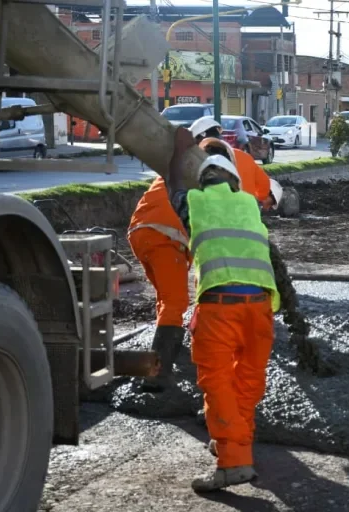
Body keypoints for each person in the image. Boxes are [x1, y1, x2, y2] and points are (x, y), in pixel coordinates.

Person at [165, 127, 280, 492]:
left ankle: (232, 464)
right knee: (246, 383)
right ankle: (237, 448)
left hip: (220, 309)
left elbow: (173, 188)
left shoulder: (195, 203)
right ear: (233, 178)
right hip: (260, 310)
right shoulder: (248, 203)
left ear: (203, 181)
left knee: (218, 385)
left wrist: (178, 150)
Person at [127, 180, 190, 391]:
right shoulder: (216, 185)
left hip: (140, 231)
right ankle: (158, 373)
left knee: (165, 296)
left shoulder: (177, 170)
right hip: (164, 235)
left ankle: (165, 352)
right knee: (176, 301)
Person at [198, 137, 283, 211]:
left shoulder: (239, 157)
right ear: (270, 192)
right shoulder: (254, 194)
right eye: (270, 204)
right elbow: (264, 182)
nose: (267, 208)